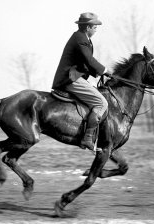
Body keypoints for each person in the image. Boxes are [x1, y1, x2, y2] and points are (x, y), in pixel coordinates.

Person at [52, 12, 112, 151]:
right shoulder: (80, 38)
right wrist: (104, 70)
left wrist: (99, 73)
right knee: (101, 102)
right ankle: (87, 139)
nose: (96, 29)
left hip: (74, 76)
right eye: (95, 27)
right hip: (70, 78)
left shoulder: (82, 37)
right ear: (88, 27)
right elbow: (89, 60)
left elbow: (85, 64)